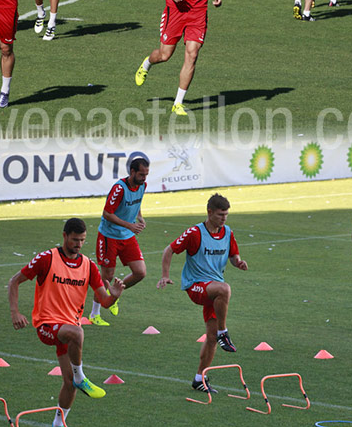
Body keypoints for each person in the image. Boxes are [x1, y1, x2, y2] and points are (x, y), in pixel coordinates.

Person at [9, 218, 125, 427]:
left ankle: (59, 424)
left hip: (67, 329)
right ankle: (81, 376)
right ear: (64, 236)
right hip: (47, 325)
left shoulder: (89, 266)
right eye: (75, 239)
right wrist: (15, 313)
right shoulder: (47, 258)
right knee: (78, 332)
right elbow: (15, 281)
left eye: (82, 240)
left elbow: (104, 300)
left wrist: (115, 296)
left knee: (68, 382)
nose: (79, 244)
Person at [157, 193, 248, 392]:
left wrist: (238, 262)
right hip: (196, 286)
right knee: (225, 289)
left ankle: (200, 378)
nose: (224, 218)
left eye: (226, 214)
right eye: (220, 214)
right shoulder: (195, 233)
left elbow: (233, 255)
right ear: (209, 212)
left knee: (211, 337)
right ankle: (224, 332)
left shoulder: (227, 232)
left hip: (214, 292)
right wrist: (165, 275)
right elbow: (169, 250)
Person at [89, 158, 149, 325]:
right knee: (107, 276)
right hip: (109, 236)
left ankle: (115, 294)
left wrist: (139, 217)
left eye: (146, 175)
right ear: (132, 172)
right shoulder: (119, 188)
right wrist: (130, 225)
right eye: (141, 174)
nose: (144, 178)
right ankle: (94, 314)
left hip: (127, 236)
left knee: (140, 272)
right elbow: (107, 214)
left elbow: (137, 203)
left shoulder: (142, 186)